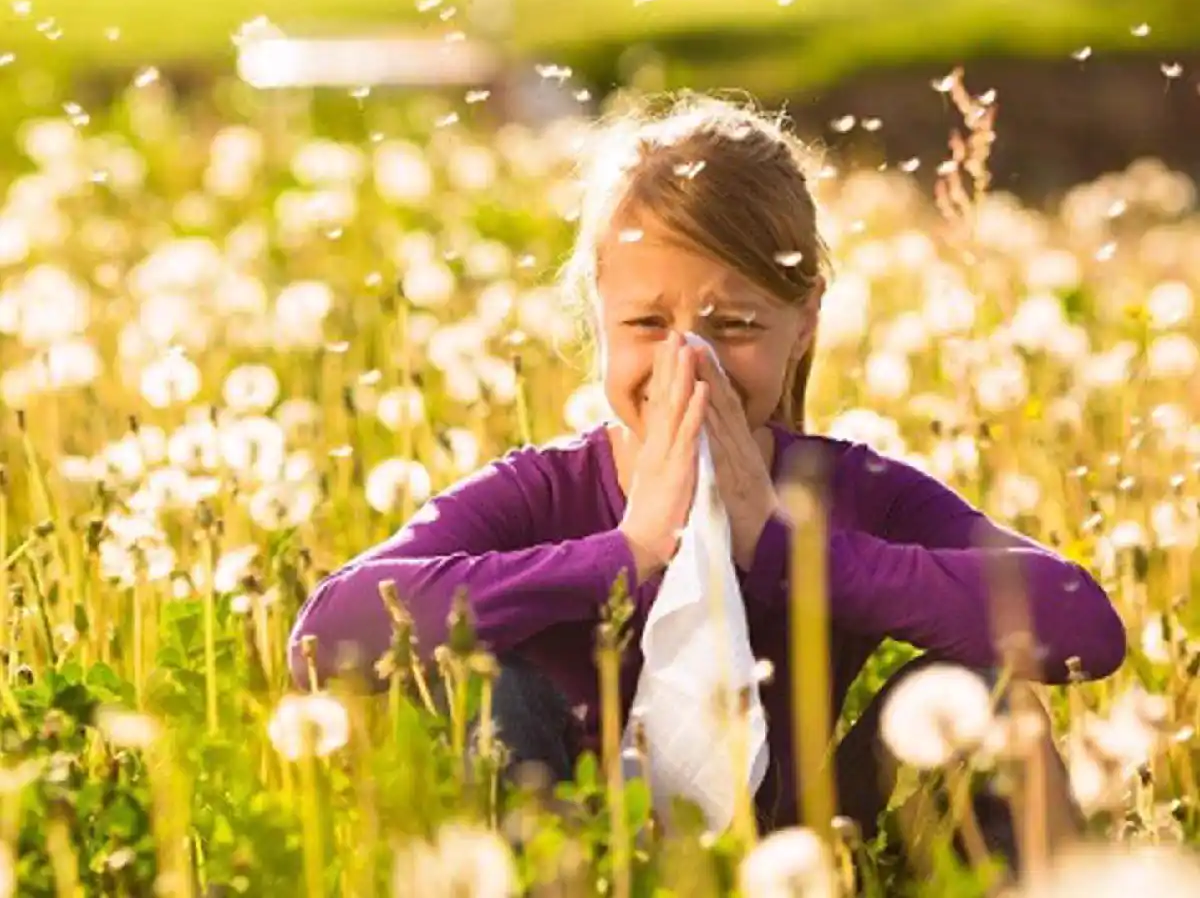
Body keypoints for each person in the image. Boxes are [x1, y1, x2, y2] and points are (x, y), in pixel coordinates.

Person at [288, 93, 1127, 866]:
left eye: (735, 325)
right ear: (597, 315)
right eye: (648, 323)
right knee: (491, 690)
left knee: (991, 699)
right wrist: (624, 554)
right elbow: (324, 638)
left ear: (805, 323)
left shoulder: (848, 489)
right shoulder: (543, 492)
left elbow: (1083, 627)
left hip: (802, 857)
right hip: (572, 854)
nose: (689, 362)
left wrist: (790, 552)